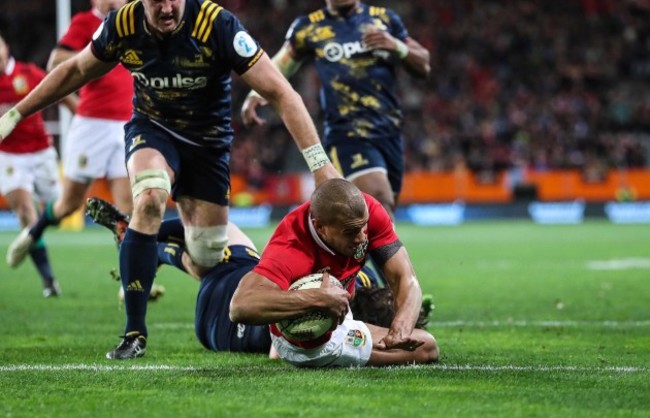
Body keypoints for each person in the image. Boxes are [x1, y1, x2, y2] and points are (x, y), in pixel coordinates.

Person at [0, 0, 338, 360]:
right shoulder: (122, 24)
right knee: (149, 198)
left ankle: (151, 244)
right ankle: (134, 333)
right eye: (155, 0)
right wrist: (19, 112)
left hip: (207, 146)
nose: (166, 7)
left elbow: (281, 93)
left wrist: (320, 166)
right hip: (153, 129)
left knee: (206, 258)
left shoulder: (217, 25)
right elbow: (74, 71)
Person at [86, 196, 427, 357]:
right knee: (204, 265)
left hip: (230, 303)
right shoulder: (342, 286)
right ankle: (150, 246)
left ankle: (142, 239)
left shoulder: (331, 307)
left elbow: (272, 337)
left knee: (216, 246)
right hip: (216, 325)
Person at [241, 0, 431, 220]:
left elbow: (424, 65)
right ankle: (391, 255)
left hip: (390, 131)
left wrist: (397, 46)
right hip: (347, 133)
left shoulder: (384, 19)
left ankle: (356, 254)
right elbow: (281, 64)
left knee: (379, 217)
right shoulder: (309, 27)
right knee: (379, 199)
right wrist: (256, 92)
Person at [230, 178, 439, 367]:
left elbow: (406, 278)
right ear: (320, 227)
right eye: (350, 232)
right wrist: (317, 299)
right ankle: (285, 350)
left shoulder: (367, 212)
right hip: (303, 340)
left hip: (340, 313)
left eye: (363, 227)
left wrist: (400, 331)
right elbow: (240, 307)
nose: (361, 238)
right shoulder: (290, 248)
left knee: (416, 338)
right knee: (427, 348)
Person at [5, 0, 135, 271]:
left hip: (127, 124)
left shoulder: (134, 23)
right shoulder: (86, 23)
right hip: (92, 125)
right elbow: (56, 61)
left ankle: (131, 281)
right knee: (69, 205)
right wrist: (98, 54)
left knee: (127, 210)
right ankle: (33, 232)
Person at [0, 32, 77, 297]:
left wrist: (80, 114)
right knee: (23, 209)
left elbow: (55, 89)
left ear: (6, 47)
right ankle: (49, 280)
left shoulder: (27, 73)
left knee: (63, 208)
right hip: (8, 156)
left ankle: (36, 232)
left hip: (41, 152)